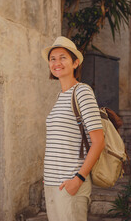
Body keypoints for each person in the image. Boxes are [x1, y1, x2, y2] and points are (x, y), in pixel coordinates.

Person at [41, 36, 105, 221]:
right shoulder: (61, 96)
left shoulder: (82, 92)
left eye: (63, 57)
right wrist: (49, 175)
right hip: (53, 183)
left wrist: (78, 179)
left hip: (71, 182)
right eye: (52, 58)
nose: (56, 63)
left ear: (75, 63)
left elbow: (98, 141)